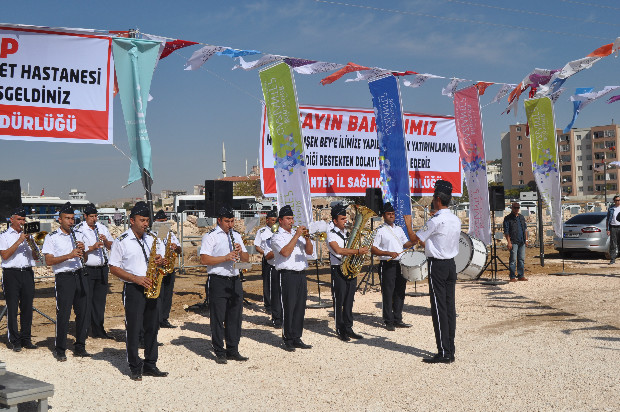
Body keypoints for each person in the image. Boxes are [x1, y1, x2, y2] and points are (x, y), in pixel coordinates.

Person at [109, 201, 168, 381]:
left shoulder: (152, 238)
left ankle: (151, 364)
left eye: (147, 220)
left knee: (152, 327)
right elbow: (113, 267)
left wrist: (161, 261)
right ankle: (135, 366)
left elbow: (164, 261)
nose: (145, 224)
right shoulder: (121, 241)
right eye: (142, 220)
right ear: (131, 220)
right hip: (134, 288)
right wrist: (136, 278)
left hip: (152, 287)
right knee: (134, 328)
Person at [407, 180, 461, 364]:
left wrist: (408, 224)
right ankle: (450, 349)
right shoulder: (455, 219)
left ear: (438, 199)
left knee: (438, 308)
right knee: (449, 308)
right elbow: (432, 242)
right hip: (450, 265)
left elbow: (416, 238)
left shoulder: (435, 220)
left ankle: (443, 352)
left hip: (437, 266)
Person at [199, 206, 250, 364]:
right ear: (219, 221)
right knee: (218, 317)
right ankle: (219, 351)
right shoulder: (210, 236)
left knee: (235, 316)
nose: (230, 224)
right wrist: (225, 257)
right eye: (227, 221)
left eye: (232, 221)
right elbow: (204, 259)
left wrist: (241, 251)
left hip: (234, 279)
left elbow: (246, 258)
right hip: (218, 280)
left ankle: (233, 349)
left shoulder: (236, 235)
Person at [41, 202, 90, 361]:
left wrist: (83, 252)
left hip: (80, 274)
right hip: (64, 277)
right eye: (67, 218)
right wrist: (69, 255)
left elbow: (86, 258)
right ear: (60, 220)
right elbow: (49, 261)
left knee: (83, 312)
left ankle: (80, 346)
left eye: (72, 218)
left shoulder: (78, 235)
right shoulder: (52, 237)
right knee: (63, 313)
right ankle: (60, 348)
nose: (71, 221)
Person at [270, 205, 314, 352]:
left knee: (300, 307)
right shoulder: (277, 236)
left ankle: (296, 337)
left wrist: (307, 239)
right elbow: (285, 252)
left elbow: (309, 252)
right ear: (280, 220)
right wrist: (296, 236)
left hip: (301, 274)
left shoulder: (296, 236)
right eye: (288, 218)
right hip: (287, 275)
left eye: (292, 218)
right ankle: (287, 338)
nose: (291, 221)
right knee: (288, 307)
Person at [326, 204, 369, 341]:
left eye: (346, 218)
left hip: (350, 269)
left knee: (349, 300)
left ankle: (349, 327)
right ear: (335, 221)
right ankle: (340, 329)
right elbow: (338, 251)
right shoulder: (331, 234)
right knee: (339, 300)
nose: (346, 221)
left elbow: (354, 246)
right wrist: (357, 252)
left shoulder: (348, 233)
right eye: (342, 218)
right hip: (338, 269)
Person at [371, 202, 415, 331]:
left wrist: (413, 240)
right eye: (389, 214)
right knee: (388, 292)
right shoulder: (379, 230)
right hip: (387, 263)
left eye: (393, 214)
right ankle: (388, 320)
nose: (391, 216)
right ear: (384, 215)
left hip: (400, 263)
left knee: (400, 291)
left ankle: (398, 318)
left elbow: (405, 244)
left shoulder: (399, 229)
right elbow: (373, 249)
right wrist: (387, 253)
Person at [0, 206, 38, 352]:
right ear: (12, 220)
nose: (23, 222)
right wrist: (19, 241)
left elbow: (36, 256)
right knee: (12, 307)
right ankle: (15, 340)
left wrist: (31, 242)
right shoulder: (4, 236)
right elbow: (5, 255)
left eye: (24, 219)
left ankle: (26, 339)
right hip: (11, 274)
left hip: (27, 273)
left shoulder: (29, 235)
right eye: (20, 219)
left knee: (27, 308)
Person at [74, 203, 114, 339]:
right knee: (86, 300)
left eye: (96, 216)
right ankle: (84, 330)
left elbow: (111, 246)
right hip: (88, 269)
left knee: (99, 301)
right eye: (92, 216)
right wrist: (92, 247)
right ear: (85, 216)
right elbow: (78, 250)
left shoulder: (102, 227)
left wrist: (106, 240)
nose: (94, 219)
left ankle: (98, 329)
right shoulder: (79, 229)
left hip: (102, 268)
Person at [153, 210, 181, 329]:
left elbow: (180, 250)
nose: (164, 224)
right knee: (159, 294)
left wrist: (176, 247)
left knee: (168, 295)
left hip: (169, 267)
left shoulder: (169, 233)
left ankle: (164, 318)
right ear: (155, 222)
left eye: (165, 221)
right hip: (157, 268)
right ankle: (156, 319)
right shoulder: (151, 234)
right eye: (161, 222)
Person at [253, 209, 278, 321]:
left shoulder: (279, 230)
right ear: (267, 220)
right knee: (268, 282)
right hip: (267, 259)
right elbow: (257, 246)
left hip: (279, 259)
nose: (274, 222)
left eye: (276, 220)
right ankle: (268, 305)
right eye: (272, 220)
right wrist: (265, 253)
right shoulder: (262, 231)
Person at [503, 202, 529, 281]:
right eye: (515, 208)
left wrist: (526, 239)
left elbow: (525, 229)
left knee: (521, 259)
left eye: (518, 208)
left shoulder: (521, 217)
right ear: (512, 208)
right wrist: (509, 242)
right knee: (513, 260)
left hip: (521, 241)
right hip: (513, 241)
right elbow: (506, 231)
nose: (517, 209)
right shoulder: (507, 218)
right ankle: (512, 276)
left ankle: (521, 275)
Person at [606, 195, 620, 264]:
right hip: (613, 227)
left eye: (619, 200)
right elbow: (608, 219)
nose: (618, 202)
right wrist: (607, 229)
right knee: (613, 244)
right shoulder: (611, 209)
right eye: (617, 200)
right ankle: (612, 259)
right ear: (614, 201)